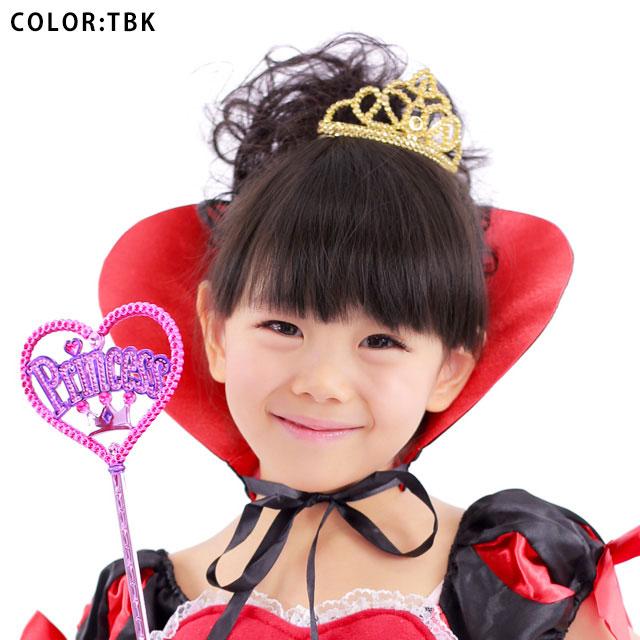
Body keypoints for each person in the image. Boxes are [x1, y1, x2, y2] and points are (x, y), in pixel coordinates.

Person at [21, 32, 639, 640]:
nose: (321, 383)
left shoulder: (520, 581)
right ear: (216, 332)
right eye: (282, 326)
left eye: (381, 341)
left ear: (451, 367)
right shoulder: (142, 608)